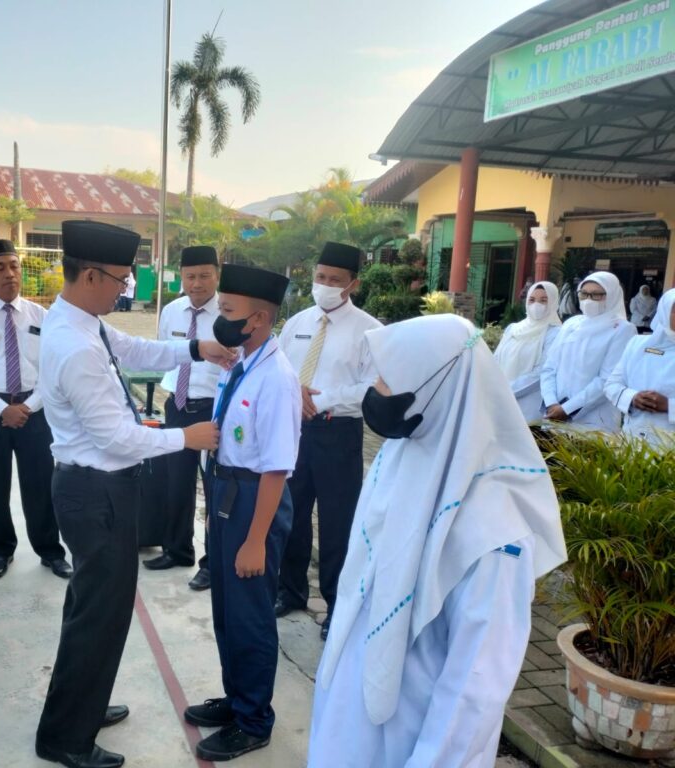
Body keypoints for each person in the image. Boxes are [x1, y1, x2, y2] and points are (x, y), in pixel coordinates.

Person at [309, 314, 567, 768]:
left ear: (434, 386)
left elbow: (476, 686)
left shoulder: (495, 529)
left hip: (411, 734)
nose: (376, 390)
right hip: (350, 706)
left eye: (389, 378)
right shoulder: (403, 453)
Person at [35, 220, 230, 768]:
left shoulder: (82, 322)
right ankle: (65, 737)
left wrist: (199, 348)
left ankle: (82, 705)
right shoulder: (75, 345)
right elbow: (117, 439)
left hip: (94, 488)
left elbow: (137, 349)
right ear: (90, 275)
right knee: (99, 614)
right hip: (96, 492)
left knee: (94, 610)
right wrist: (185, 437)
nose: (125, 290)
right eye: (121, 280)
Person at [183, 263, 302, 762]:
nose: (220, 316)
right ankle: (236, 699)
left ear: (258, 319)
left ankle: (253, 720)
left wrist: (255, 541)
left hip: (255, 499)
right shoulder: (241, 362)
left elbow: (276, 469)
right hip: (226, 491)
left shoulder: (276, 377)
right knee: (227, 609)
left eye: (228, 310)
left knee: (250, 616)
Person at [274, 242, 381, 640]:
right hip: (293, 431)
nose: (325, 285)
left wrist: (320, 400)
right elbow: (280, 368)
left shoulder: (371, 330)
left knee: (338, 524)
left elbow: (372, 386)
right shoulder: (297, 322)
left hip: (338, 433)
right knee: (291, 514)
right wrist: (294, 394)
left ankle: (337, 606)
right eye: (321, 277)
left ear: (353, 284)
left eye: (335, 280)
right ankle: (290, 590)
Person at [0, 239, 71, 580]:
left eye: (14, 266)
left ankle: (50, 550)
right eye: (0, 267)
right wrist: (1, 409)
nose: (9, 274)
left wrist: (27, 406)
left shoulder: (42, 317)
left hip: (34, 412)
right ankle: (0, 550)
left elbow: (51, 370)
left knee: (41, 483)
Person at [144, 246, 222, 589]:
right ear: (182, 277)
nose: (197, 283)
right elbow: (163, 352)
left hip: (213, 408)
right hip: (177, 404)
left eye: (205, 275)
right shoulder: (172, 311)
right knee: (176, 483)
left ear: (217, 275)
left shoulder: (228, 314)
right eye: (190, 276)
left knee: (215, 487)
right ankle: (177, 550)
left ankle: (212, 563)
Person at [541, 272, 636, 433]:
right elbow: (549, 367)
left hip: (593, 422)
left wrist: (567, 409)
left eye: (597, 295)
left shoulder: (622, 329)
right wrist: (551, 403)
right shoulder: (571, 323)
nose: (588, 300)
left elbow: (607, 379)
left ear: (612, 295)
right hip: (554, 415)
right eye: (584, 294)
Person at [605, 288, 675, 448]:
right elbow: (612, 385)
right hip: (633, 441)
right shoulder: (637, 344)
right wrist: (633, 398)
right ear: (664, 312)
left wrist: (669, 406)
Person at [494, 281, 563, 422]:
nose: (536, 305)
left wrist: (506, 390)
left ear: (553, 303)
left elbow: (541, 372)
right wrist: (492, 387)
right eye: (532, 300)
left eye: (543, 300)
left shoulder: (555, 333)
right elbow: (495, 360)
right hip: (499, 401)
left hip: (528, 406)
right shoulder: (513, 329)